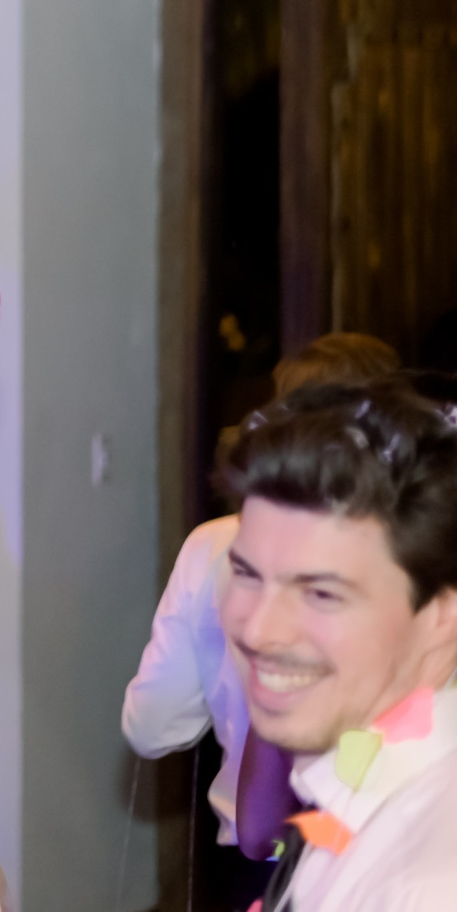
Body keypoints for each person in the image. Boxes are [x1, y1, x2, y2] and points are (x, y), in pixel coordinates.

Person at [121, 331, 402, 889]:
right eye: (249, 574)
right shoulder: (413, 552)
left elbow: (153, 725)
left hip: (300, 858)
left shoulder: (217, 547)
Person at [216, 380, 457, 911]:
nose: (258, 631)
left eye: (321, 593)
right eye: (247, 574)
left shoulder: (424, 887)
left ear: (443, 612)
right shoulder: (364, 786)